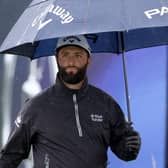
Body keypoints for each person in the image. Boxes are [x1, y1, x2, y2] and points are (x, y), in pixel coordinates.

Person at [0, 35, 141, 168]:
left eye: (78, 55)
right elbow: (10, 156)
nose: (71, 61)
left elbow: (125, 153)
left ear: (88, 59)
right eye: (65, 55)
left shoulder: (106, 104)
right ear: (57, 59)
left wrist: (130, 146)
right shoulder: (36, 106)